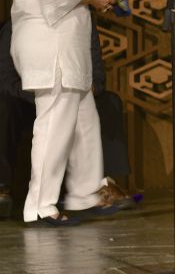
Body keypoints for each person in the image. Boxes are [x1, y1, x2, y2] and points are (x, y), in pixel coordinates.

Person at [10, 0, 117, 226]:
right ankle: (39, 206)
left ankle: (85, 194)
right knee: (53, 123)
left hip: (64, 43)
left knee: (83, 119)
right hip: (50, 43)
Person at [0, 19, 135, 220]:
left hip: (73, 95)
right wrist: (43, 96)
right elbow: (6, 78)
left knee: (108, 101)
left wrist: (86, 89)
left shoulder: (83, 23)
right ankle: (2, 187)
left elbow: (96, 72)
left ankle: (102, 185)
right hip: (29, 100)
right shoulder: (18, 23)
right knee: (3, 104)